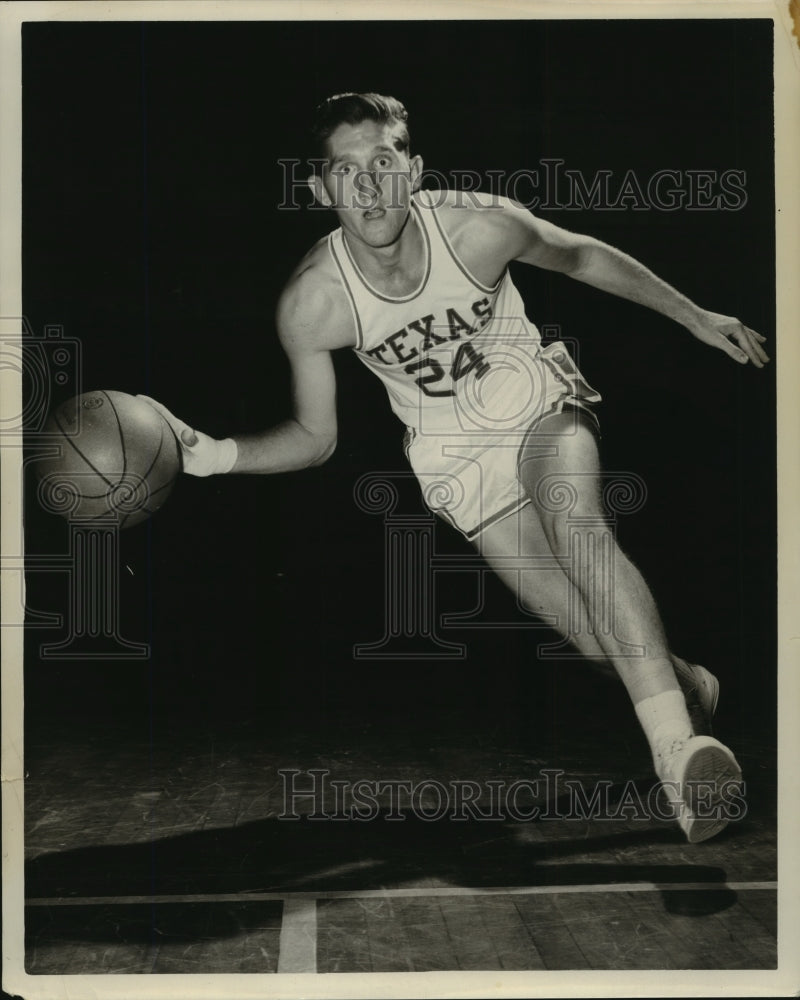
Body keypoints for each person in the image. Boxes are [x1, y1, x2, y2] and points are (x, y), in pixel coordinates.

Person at [140, 92, 769, 843]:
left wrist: (696, 315)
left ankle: (679, 756)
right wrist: (213, 457)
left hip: (532, 402)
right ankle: (689, 685)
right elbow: (316, 437)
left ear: (414, 170)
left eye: (383, 162)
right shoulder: (314, 303)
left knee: (580, 526)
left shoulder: (478, 226)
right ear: (319, 191)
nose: (369, 187)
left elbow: (582, 254)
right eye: (347, 171)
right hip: (454, 459)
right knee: (594, 639)